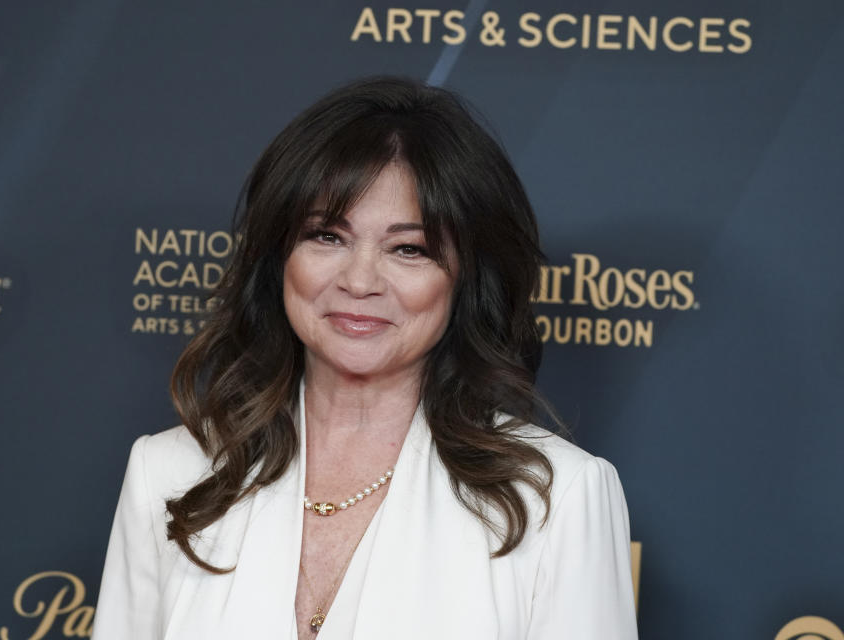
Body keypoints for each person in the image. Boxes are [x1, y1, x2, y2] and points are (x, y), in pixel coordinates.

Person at [91, 76, 638, 639]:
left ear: (467, 278)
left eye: (409, 249)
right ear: (278, 256)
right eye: (327, 236)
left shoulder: (555, 498)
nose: (359, 281)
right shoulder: (170, 473)